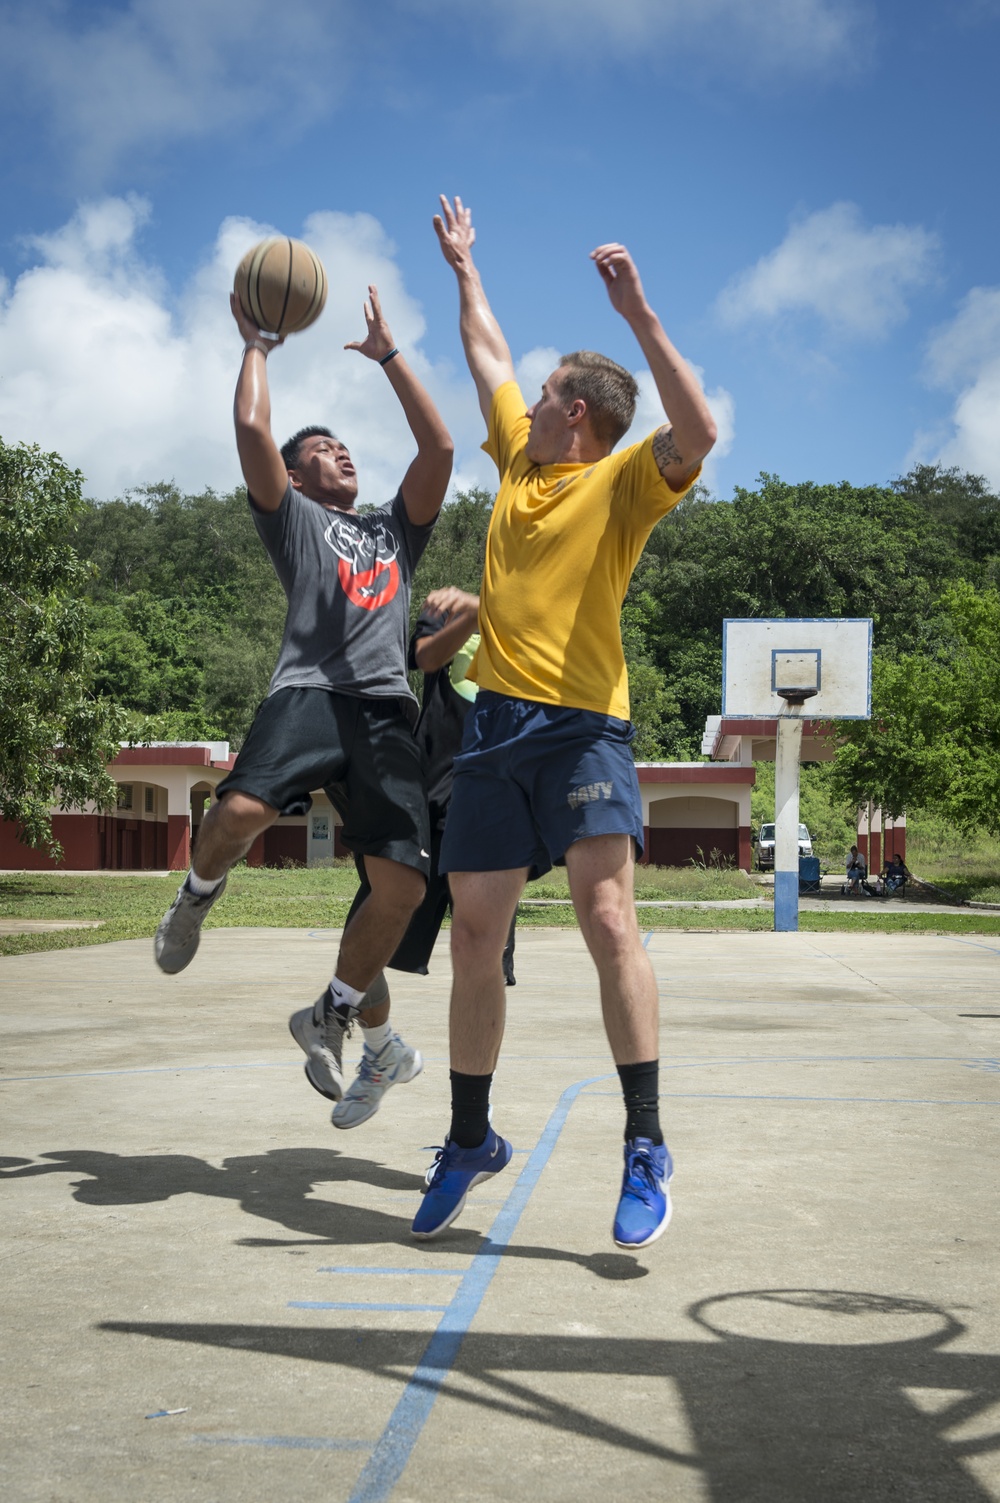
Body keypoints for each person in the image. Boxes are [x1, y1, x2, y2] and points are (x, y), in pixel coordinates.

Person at [412, 196, 717, 1248]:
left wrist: (638, 318)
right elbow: (484, 348)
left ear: (575, 414)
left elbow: (699, 430)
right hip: (494, 729)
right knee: (476, 936)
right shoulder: (517, 464)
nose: (526, 399)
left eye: (544, 395)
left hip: (585, 727)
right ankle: (467, 1139)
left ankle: (644, 1146)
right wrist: (463, 267)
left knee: (606, 919)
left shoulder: (624, 483)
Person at [154, 283, 453, 1130]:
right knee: (243, 805)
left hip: (386, 714)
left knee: (399, 886)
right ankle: (197, 894)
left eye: (344, 443)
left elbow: (438, 445)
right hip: (312, 693)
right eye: (322, 447)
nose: (341, 452)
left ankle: (331, 1013)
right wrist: (258, 345)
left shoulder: (395, 531)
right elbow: (252, 432)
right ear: (294, 475)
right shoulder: (294, 521)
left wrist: (390, 355)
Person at [345, 586, 516, 1000]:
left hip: (493, 798)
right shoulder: (446, 610)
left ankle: (476, 1060)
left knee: (483, 953)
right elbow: (420, 657)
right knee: (371, 935)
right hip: (432, 793)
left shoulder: (526, 621)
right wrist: (475, 615)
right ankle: (369, 1032)